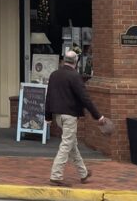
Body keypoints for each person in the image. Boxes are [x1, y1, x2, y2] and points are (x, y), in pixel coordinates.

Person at [45, 50, 107, 186]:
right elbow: (85, 98)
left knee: (72, 144)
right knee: (67, 145)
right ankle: (56, 175)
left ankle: (83, 173)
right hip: (69, 116)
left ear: (64, 60)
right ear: (76, 62)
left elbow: (48, 97)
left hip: (57, 116)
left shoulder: (54, 74)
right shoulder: (74, 76)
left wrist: (48, 117)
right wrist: (98, 116)